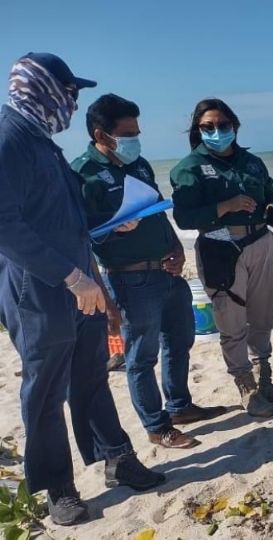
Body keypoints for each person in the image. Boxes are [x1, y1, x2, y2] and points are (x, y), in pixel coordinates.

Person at [0, 53, 164, 526]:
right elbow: (5, 225)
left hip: (80, 286)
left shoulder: (41, 141)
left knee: (90, 376)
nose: (72, 103)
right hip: (40, 289)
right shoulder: (10, 138)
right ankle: (58, 488)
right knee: (46, 391)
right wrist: (71, 277)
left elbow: (62, 219)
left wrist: (112, 225)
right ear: (43, 89)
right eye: (69, 91)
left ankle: (117, 458)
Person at [72, 94, 229, 449]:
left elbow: (158, 210)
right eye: (128, 133)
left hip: (167, 269)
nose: (135, 140)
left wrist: (176, 248)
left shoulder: (138, 164)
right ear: (102, 134)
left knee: (180, 340)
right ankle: (157, 427)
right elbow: (80, 236)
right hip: (130, 278)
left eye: (137, 132)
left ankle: (179, 406)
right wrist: (112, 230)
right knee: (141, 356)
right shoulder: (84, 173)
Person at [170, 98, 273, 418]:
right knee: (231, 320)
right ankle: (246, 388)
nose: (217, 131)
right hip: (220, 247)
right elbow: (183, 217)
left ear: (234, 126)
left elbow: (269, 192)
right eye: (207, 127)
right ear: (197, 130)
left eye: (223, 125)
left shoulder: (252, 162)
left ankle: (265, 380)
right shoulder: (188, 169)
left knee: (264, 313)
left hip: (262, 241)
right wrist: (225, 207)